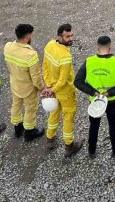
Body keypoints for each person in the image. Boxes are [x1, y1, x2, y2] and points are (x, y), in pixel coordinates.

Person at [74, 35, 115, 158]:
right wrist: (109, 93)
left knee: (94, 125)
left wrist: (93, 92)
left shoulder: (89, 61)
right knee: (113, 124)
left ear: (98, 47)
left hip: (94, 101)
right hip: (111, 101)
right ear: (110, 47)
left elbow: (77, 81)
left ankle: (92, 150)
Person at [42, 23, 83, 157]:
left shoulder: (49, 45)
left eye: (71, 35)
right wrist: (53, 89)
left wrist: (48, 86)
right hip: (65, 92)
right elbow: (63, 80)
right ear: (60, 36)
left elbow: (45, 66)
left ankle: (50, 139)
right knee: (68, 116)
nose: (71, 39)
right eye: (67, 36)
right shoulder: (65, 57)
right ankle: (69, 145)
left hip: (51, 88)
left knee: (54, 113)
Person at [4, 23, 45, 141]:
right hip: (28, 88)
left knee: (16, 105)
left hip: (15, 84)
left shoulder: (8, 47)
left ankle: (17, 128)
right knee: (30, 109)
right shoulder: (30, 55)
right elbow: (36, 77)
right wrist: (41, 88)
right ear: (27, 37)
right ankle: (29, 131)